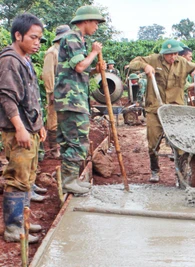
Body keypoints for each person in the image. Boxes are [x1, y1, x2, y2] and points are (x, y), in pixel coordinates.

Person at [128, 39, 195, 182]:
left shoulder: (182, 62)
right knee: (153, 142)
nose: (173, 57)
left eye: (175, 54)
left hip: (176, 109)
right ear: (163, 54)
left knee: (181, 142)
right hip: (155, 108)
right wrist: (145, 66)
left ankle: (181, 172)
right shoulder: (153, 59)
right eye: (169, 55)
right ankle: (154, 170)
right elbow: (133, 64)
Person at [0, 13, 47, 243]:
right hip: (18, 130)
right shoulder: (10, 60)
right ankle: (13, 228)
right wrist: (19, 128)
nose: (37, 42)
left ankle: (23, 221)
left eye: (40, 38)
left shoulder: (25, 60)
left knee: (27, 177)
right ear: (18, 36)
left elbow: (31, 99)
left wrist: (38, 125)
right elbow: (7, 98)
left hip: (29, 127)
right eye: (33, 37)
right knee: (17, 177)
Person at [54, 5, 106, 194]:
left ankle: (72, 179)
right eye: (95, 23)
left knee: (71, 141)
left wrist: (95, 70)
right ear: (86, 21)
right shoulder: (72, 38)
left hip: (72, 99)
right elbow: (78, 67)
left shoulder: (78, 40)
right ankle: (69, 181)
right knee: (77, 141)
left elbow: (79, 69)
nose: (97, 27)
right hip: (71, 100)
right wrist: (93, 53)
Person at [42, 25, 70, 159]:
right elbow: (47, 74)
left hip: (65, 92)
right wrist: (51, 91)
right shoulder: (52, 52)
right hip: (55, 91)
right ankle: (54, 150)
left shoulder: (64, 51)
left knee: (63, 120)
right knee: (53, 120)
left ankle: (62, 148)